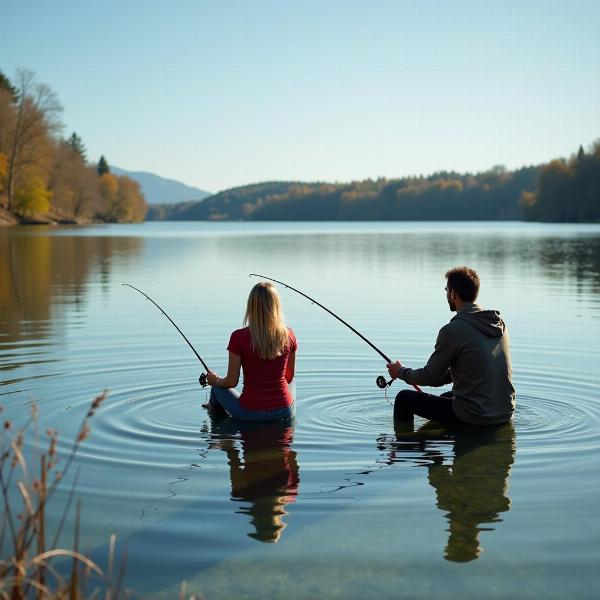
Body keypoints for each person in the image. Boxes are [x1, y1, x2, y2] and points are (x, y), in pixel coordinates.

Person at [387, 266, 515, 425]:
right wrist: (412, 374)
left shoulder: (453, 331)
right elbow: (469, 368)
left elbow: (429, 376)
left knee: (404, 398)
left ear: (453, 294)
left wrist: (401, 372)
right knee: (446, 397)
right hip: (504, 413)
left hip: (476, 417)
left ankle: (405, 444)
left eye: (447, 290)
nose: (447, 294)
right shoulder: (499, 325)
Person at [204, 281, 297, 421]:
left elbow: (231, 382)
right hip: (284, 411)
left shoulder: (238, 337)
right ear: (276, 306)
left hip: (250, 413)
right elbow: (288, 377)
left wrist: (215, 379)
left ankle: (220, 430)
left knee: (217, 388)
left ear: (251, 306)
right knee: (292, 383)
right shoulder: (289, 334)